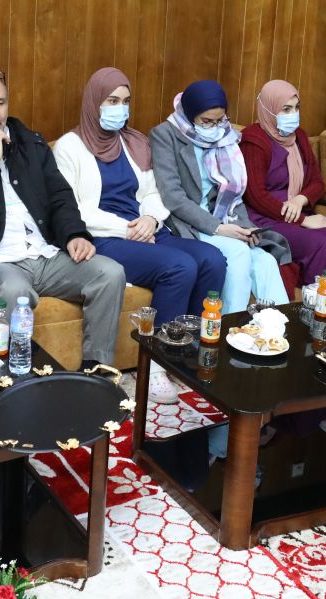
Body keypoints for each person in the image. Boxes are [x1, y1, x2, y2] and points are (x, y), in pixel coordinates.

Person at [53, 68, 226, 403]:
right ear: (93, 103)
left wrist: (150, 218)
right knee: (179, 267)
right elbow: (72, 209)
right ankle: (157, 366)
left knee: (211, 259)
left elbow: (153, 192)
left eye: (126, 101)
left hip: (144, 229)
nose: (120, 108)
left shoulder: (133, 142)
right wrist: (127, 228)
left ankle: (190, 350)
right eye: (112, 101)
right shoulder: (68, 147)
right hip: (103, 238)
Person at [0, 71, 126, 366]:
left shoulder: (29, 141)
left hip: (44, 253)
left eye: (0, 102)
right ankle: (14, 380)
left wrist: (74, 234)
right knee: (13, 292)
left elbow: (60, 195)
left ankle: (96, 372)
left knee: (110, 274)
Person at [149, 80, 291, 311]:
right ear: (190, 114)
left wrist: (244, 229)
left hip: (226, 221)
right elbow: (172, 196)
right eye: (206, 121)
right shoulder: (165, 135)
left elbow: (234, 192)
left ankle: (276, 328)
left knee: (265, 261)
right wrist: (218, 228)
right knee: (238, 253)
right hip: (187, 223)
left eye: (219, 120)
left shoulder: (227, 135)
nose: (214, 127)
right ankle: (227, 327)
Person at [237, 79, 326, 294]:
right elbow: (256, 196)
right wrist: (304, 221)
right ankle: (320, 310)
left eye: (296, 108)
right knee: (321, 246)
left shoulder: (299, 138)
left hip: (297, 214)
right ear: (269, 110)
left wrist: (300, 199)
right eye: (286, 109)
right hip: (265, 219)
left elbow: (317, 182)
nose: (293, 114)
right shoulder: (254, 141)